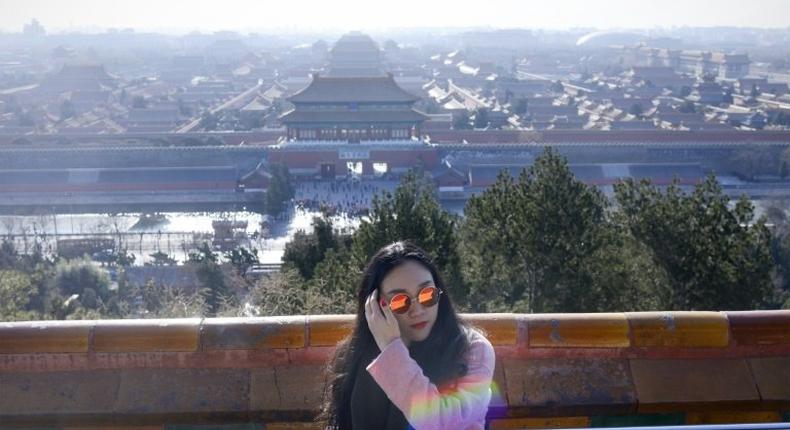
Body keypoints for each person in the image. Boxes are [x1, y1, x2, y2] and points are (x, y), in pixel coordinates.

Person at [319, 241, 495, 430]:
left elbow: (445, 423)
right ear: (377, 306)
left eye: (427, 294)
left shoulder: (473, 350)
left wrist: (392, 351)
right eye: (401, 301)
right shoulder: (359, 353)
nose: (418, 310)